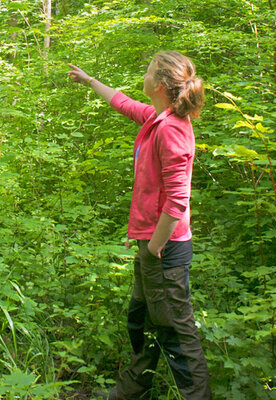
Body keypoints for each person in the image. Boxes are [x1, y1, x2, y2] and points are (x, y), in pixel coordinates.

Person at [68, 51, 211, 399]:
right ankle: (131, 390)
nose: (142, 75)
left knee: (176, 332)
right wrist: (89, 81)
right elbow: (123, 102)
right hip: (154, 246)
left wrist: (154, 248)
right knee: (144, 320)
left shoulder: (173, 130)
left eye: (147, 71)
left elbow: (178, 201)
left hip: (165, 250)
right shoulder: (157, 118)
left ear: (160, 85)